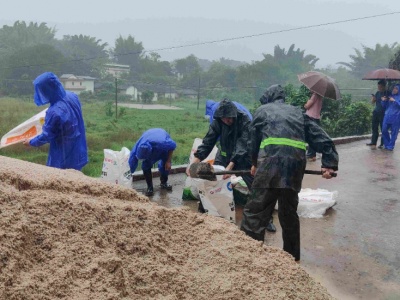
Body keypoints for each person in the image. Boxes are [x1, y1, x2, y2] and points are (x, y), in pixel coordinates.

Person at [241, 84, 339, 263]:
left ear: (268, 99)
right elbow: (323, 139)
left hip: (269, 165)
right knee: (288, 213)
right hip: (294, 168)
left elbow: (252, 142)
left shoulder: (262, 111)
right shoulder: (298, 113)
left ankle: (250, 258)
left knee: (255, 213)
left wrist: (255, 164)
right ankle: (292, 259)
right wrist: (329, 164)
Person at [190, 98, 276, 232]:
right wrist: (195, 161)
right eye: (223, 119)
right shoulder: (217, 121)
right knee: (210, 181)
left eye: (229, 118)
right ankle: (204, 209)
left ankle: (266, 219)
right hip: (223, 156)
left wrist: (230, 166)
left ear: (234, 114)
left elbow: (242, 144)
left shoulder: (244, 120)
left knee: (257, 186)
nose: (227, 121)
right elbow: (208, 141)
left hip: (242, 157)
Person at [23, 72, 88, 171]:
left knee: (60, 180)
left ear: (46, 91)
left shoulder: (54, 112)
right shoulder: (72, 96)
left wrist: (31, 142)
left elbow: (46, 135)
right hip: (78, 147)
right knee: (75, 178)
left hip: (63, 154)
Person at [129, 128, 176, 196]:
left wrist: (168, 161)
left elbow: (172, 147)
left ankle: (164, 182)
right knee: (145, 166)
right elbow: (132, 161)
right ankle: (150, 187)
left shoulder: (163, 142)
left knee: (165, 165)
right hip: (150, 149)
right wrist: (129, 172)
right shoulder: (137, 147)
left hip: (162, 150)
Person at [366, 80, 387, 150]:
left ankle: (382, 143)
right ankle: (373, 142)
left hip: (383, 113)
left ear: (384, 86)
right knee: (374, 128)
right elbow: (372, 102)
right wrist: (373, 98)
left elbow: (389, 103)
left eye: (381, 86)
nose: (379, 88)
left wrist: (384, 99)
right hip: (376, 112)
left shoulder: (387, 93)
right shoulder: (377, 93)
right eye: (378, 86)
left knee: (383, 128)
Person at [304, 92, 323, 161]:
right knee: (314, 137)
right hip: (316, 118)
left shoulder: (315, 95)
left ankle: (310, 155)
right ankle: (313, 155)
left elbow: (307, 106)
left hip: (311, 118)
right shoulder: (320, 96)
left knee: (310, 137)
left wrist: (306, 104)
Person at [381, 84, 400, 151]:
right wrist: (383, 100)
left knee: (394, 132)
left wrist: (395, 101)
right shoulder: (390, 96)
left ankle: (391, 146)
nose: (394, 90)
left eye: (396, 89)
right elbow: (384, 105)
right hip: (387, 115)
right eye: (393, 88)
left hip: (396, 117)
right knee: (384, 130)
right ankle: (387, 144)